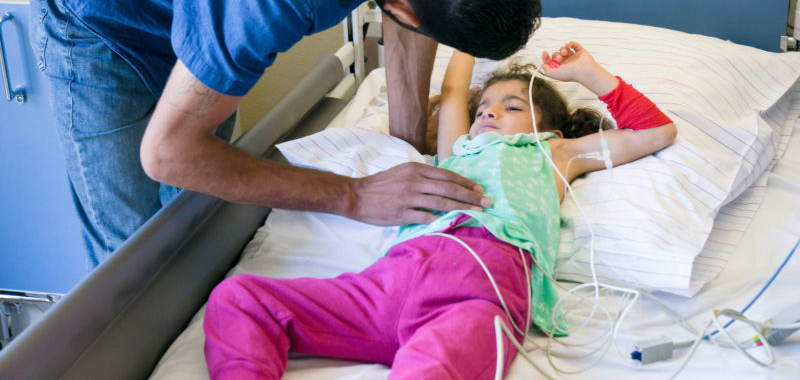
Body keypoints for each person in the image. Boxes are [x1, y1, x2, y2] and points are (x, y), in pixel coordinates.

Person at [26, 0, 543, 267]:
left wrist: (406, 153)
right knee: (134, 258)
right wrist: (356, 195)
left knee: (192, 222)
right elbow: (169, 154)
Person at [202, 42, 678, 379]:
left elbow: (655, 133)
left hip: (476, 295)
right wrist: (468, 32)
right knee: (239, 298)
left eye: (511, 106)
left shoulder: (555, 155)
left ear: (548, 127)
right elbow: (454, 91)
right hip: (390, 281)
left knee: (433, 367)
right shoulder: (459, 148)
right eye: (485, 106)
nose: (489, 112)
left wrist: (589, 75)